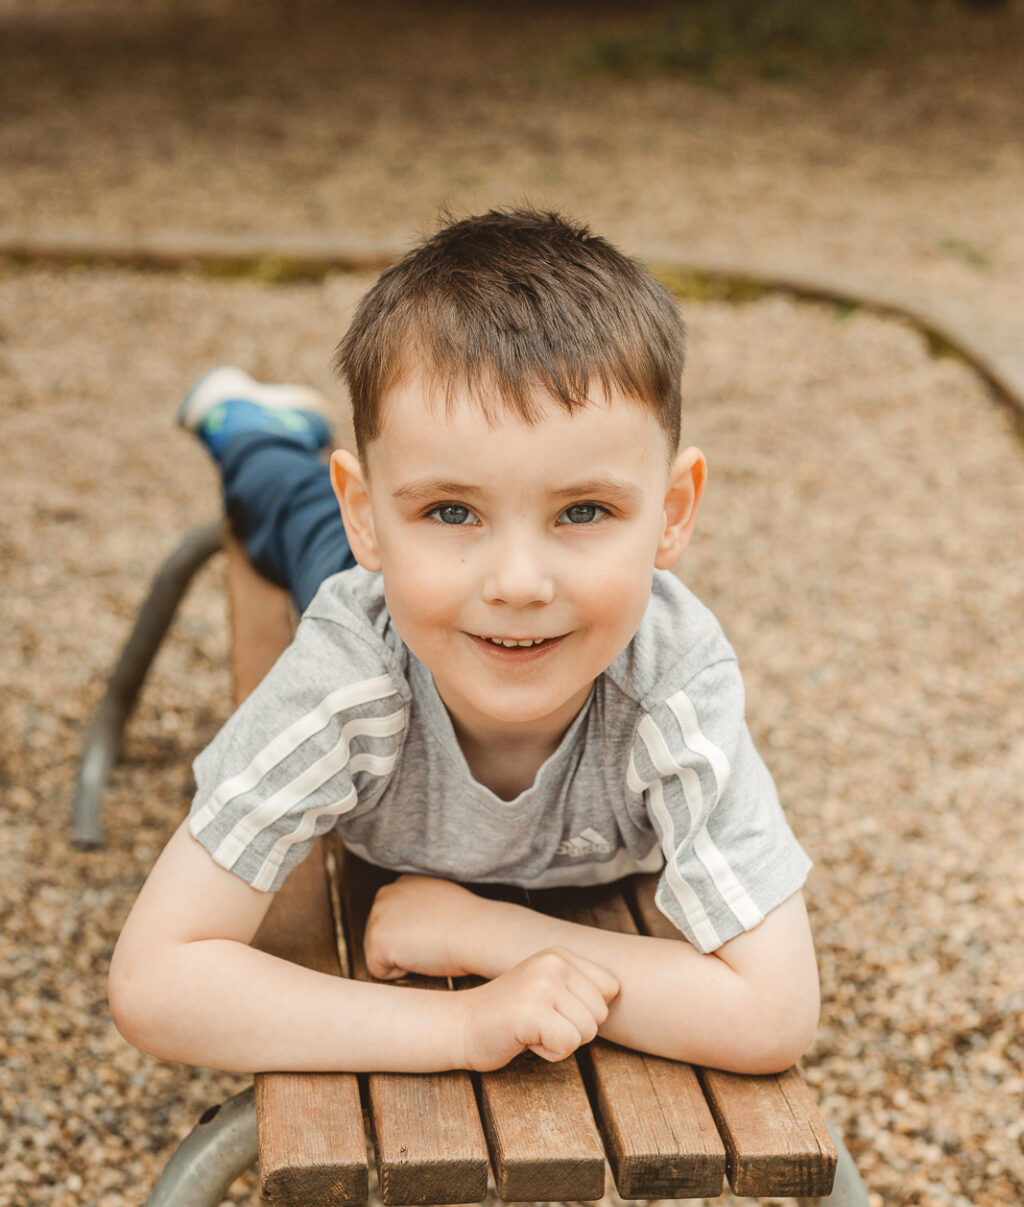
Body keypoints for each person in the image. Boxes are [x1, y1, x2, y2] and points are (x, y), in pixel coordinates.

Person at [109, 209, 819, 1078]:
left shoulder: (670, 677)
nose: (519, 581)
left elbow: (773, 1013)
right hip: (395, 601)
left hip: (435, 603)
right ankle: (253, 428)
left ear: (672, 514)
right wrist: (457, 1029)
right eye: (452, 508)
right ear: (370, 512)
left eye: (583, 511)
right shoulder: (351, 674)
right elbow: (155, 979)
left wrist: (487, 935)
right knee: (283, 509)